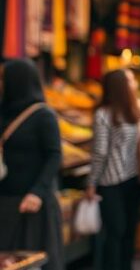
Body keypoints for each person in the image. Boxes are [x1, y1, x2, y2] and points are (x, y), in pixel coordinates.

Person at [85, 69, 140, 270]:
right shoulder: (135, 111)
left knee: (115, 233)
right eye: (130, 81)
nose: (134, 84)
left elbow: (100, 153)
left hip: (111, 182)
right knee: (128, 232)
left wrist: (92, 182)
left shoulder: (103, 114)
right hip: (133, 179)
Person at [0, 59, 64, 270]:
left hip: (33, 205)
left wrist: (37, 192)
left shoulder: (43, 115)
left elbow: (54, 155)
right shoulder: (4, 113)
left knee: (34, 261)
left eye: (3, 78)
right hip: (6, 202)